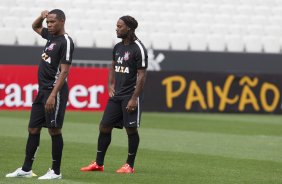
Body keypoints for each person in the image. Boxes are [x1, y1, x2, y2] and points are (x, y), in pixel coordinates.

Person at [6, 9, 74, 180]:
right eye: (48, 22)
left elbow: (65, 72)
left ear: (62, 21)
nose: (49, 25)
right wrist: (41, 16)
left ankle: (56, 172)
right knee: (33, 128)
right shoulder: (51, 36)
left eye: (52, 22)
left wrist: (52, 95)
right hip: (42, 90)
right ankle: (26, 169)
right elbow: (34, 26)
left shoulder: (65, 41)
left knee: (54, 130)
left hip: (54, 91)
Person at [80, 15, 148, 174]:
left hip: (130, 96)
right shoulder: (118, 47)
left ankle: (129, 165)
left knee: (130, 130)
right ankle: (98, 163)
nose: (116, 28)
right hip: (117, 96)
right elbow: (112, 66)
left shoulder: (138, 48)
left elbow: (142, 75)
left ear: (129, 28)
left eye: (119, 26)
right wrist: (110, 84)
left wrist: (134, 98)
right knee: (104, 127)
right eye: (116, 26)